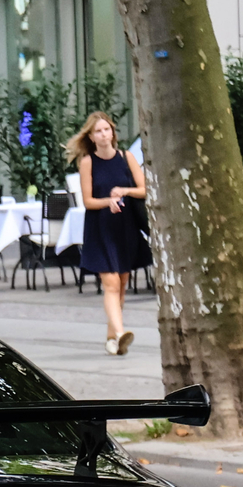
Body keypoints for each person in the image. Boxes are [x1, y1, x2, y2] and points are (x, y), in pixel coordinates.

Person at [69, 109, 152, 355]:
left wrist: (123, 191)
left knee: (123, 282)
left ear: (113, 133)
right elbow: (88, 201)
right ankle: (120, 332)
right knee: (111, 284)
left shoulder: (127, 157)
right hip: (101, 228)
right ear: (92, 137)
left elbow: (144, 189)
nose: (103, 134)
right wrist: (108, 201)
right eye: (98, 131)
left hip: (125, 228)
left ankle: (111, 338)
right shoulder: (88, 162)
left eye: (107, 129)